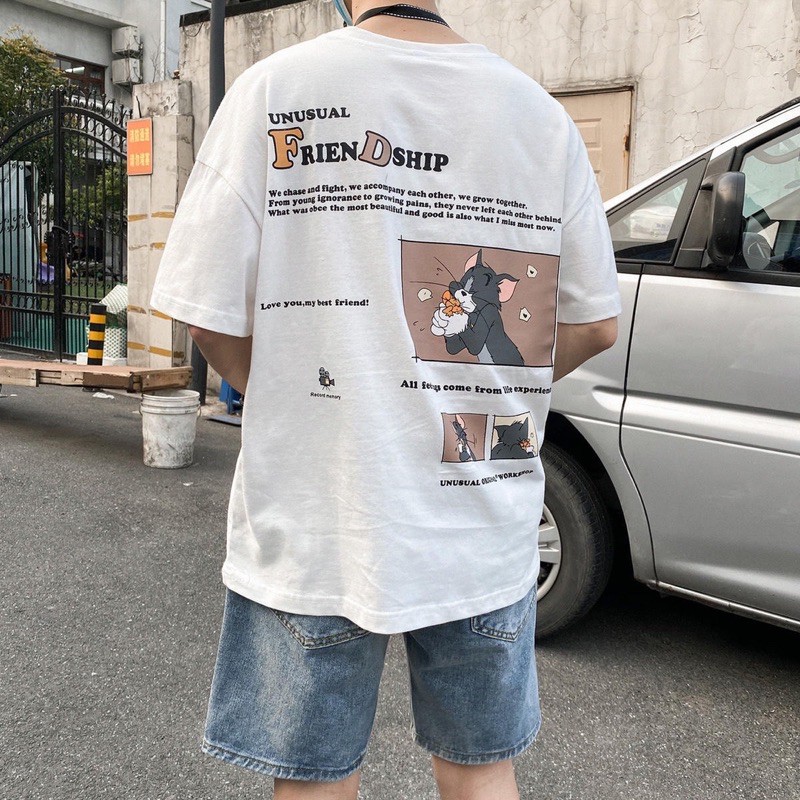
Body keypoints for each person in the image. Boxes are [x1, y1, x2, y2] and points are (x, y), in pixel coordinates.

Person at [150, 2, 621, 798]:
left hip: (320, 510)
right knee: (481, 772)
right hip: (479, 508)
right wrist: (499, 386)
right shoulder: (539, 117)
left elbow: (206, 314)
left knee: (315, 779)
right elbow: (595, 323)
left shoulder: (274, 92)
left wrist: (303, 395)